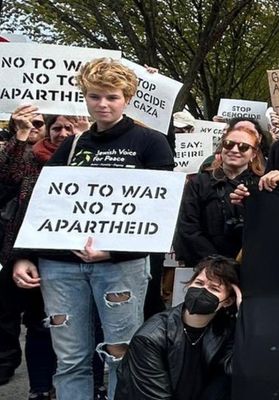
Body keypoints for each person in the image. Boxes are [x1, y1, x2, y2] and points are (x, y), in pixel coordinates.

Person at [11, 57, 175, 399]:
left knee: (121, 354)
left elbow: (158, 212)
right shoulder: (71, 146)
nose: (102, 104)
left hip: (119, 267)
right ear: (84, 97)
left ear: (126, 98)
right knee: (70, 359)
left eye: (111, 97)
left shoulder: (151, 142)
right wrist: (23, 255)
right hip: (61, 267)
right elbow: (42, 202)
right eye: (95, 96)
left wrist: (113, 250)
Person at [0, 108, 87, 400]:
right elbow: (5, 178)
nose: (63, 133)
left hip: (82, 256)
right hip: (38, 257)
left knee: (81, 326)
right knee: (40, 325)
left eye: (69, 128)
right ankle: (40, 388)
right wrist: (21, 134)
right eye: (56, 128)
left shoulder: (93, 158)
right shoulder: (30, 160)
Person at [115, 256, 242, 400]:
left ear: (228, 301)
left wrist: (245, 316)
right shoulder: (150, 338)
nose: (202, 291)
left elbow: (239, 372)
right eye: (199, 283)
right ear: (189, 285)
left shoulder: (226, 329)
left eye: (214, 288)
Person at [175, 126, 264, 268]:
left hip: (253, 267)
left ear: (253, 154)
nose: (234, 150)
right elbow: (188, 227)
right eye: (229, 144)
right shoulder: (198, 183)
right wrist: (217, 264)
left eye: (243, 147)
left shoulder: (262, 185)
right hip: (206, 267)